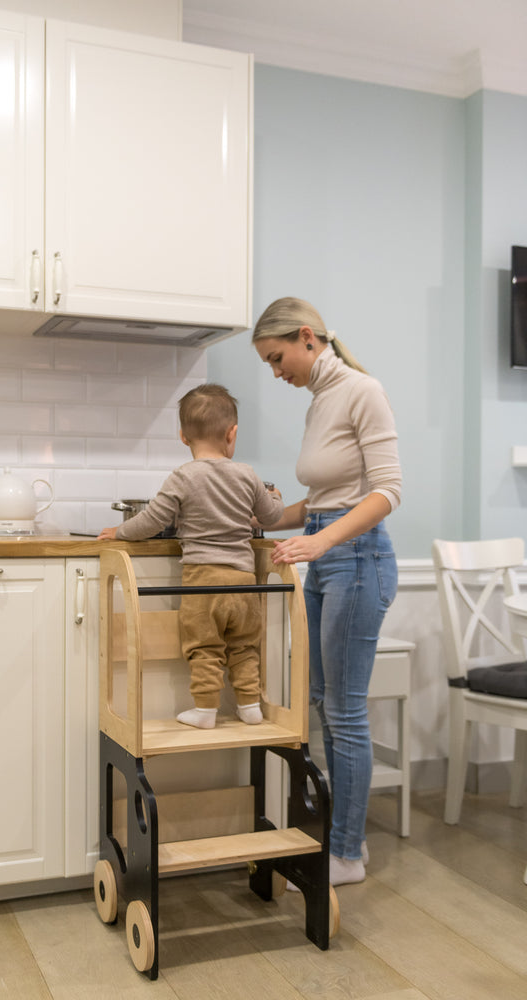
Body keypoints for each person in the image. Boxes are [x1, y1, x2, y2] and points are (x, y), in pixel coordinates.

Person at [252, 297, 401, 887]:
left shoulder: (364, 390)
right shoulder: (320, 400)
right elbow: (318, 505)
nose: (276, 371)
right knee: (319, 702)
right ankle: (333, 842)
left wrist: (320, 545)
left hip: (359, 561)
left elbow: (387, 492)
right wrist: (259, 519)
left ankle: (347, 854)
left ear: (307, 337)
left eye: (277, 357)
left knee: (344, 712)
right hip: (330, 556)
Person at [98, 383, 284, 729]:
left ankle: (205, 710)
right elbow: (271, 517)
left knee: (205, 648)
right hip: (243, 580)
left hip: (203, 580)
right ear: (233, 433)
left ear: (183, 437)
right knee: (244, 646)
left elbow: (152, 521)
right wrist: (277, 497)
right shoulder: (247, 475)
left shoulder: (183, 476)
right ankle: (250, 705)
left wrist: (119, 532)